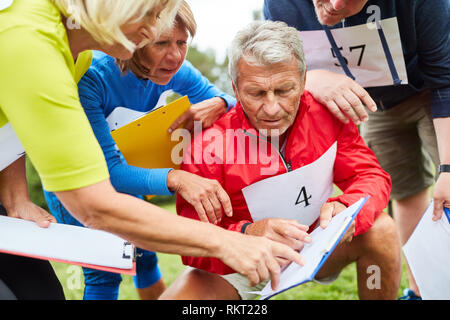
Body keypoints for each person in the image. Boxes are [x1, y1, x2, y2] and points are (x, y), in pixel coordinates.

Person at [0, 0, 303, 300]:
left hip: (60, 194)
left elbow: (14, 123)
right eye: (150, 17)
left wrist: (15, 197)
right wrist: (226, 241)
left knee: (131, 262)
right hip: (88, 191)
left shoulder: (70, 50)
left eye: (180, 40)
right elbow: (93, 201)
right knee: (103, 271)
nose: (151, 29)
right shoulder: (43, 48)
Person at [159, 20, 401, 300]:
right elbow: (192, 241)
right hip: (240, 259)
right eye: (257, 93)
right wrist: (248, 233)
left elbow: (371, 176)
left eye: (284, 90)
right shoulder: (207, 144)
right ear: (235, 90)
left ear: (302, 81)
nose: (272, 108)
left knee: (381, 229)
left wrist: (346, 209)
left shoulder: (327, 113)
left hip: (317, 241)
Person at [42, 1, 237, 300]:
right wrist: (178, 178)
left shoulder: (176, 71)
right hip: (77, 184)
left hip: (126, 178)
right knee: (104, 270)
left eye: (182, 42)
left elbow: (232, 103)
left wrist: (222, 101)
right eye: (161, 43)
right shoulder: (92, 79)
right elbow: (110, 171)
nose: (175, 56)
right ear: (134, 37)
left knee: (145, 255)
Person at [264, 0, 450, 299]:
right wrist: (311, 78)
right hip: (374, 104)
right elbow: (275, 69)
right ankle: (421, 292)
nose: (336, 3)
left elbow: (446, 77)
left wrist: (448, 168)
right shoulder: (280, 5)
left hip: (432, 91)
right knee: (405, 191)